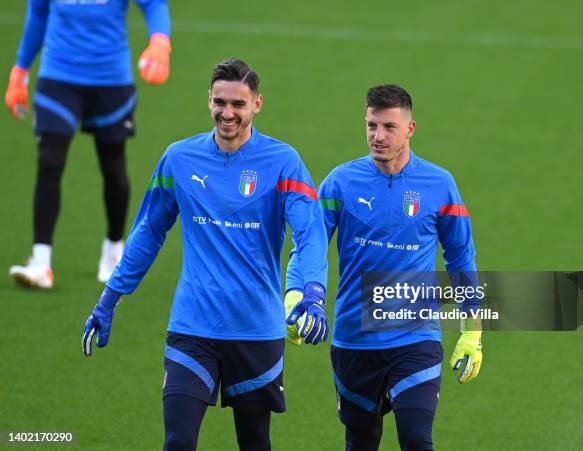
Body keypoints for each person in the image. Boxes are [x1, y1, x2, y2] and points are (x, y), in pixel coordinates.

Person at [82, 58, 330, 451]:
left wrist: (313, 292)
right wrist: (109, 300)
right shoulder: (179, 159)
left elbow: (310, 232)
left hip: (256, 331)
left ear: (257, 105)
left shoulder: (283, 162)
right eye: (220, 102)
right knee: (178, 441)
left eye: (238, 104)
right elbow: (148, 232)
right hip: (192, 327)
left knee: (254, 442)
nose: (227, 112)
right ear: (209, 101)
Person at [285, 85, 483, 450]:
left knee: (416, 439)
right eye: (371, 125)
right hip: (354, 339)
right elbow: (308, 245)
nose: (378, 136)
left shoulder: (439, 185)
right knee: (361, 441)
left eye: (389, 127)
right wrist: (296, 295)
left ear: (410, 129)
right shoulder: (341, 182)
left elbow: (460, 258)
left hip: (415, 339)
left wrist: (473, 331)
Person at [6, 0, 172, 288]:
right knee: (50, 162)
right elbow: (37, 15)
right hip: (58, 77)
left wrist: (159, 42)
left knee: (113, 165)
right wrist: (20, 71)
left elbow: (153, 4)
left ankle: (113, 250)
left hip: (110, 80)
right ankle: (41, 262)